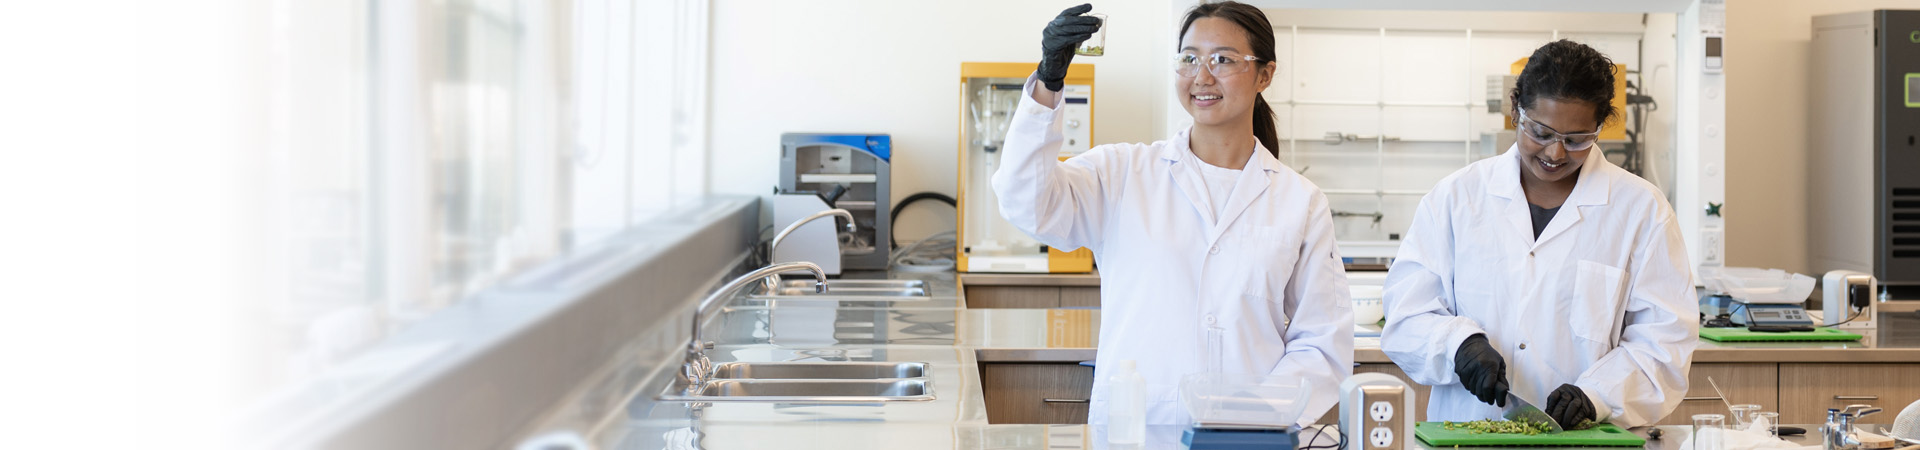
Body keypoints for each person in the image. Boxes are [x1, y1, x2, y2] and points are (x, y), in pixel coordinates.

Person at [995, 2, 1352, 425]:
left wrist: (1257, 417)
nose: (1202, 76)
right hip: (1135, 429)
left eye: (1223, 59)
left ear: (1264, 75)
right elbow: (1026, 202)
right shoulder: (1122, 172)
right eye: (1189, 58)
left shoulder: (1300, 201)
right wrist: (1048, 84)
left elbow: (1323, 345)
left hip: (1247, 436)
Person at [1380, 40, 1697, 428]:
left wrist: (1598, 394)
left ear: (1600, 127)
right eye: (1541, 132)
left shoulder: (1641, 210)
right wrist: (1457, 345)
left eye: (1577, 139)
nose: (1556, 153)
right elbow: (1405, 316)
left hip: (1584, 437)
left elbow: (1664, 345)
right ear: (1516, 109)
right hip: (1469, 432)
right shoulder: (1456, 198)